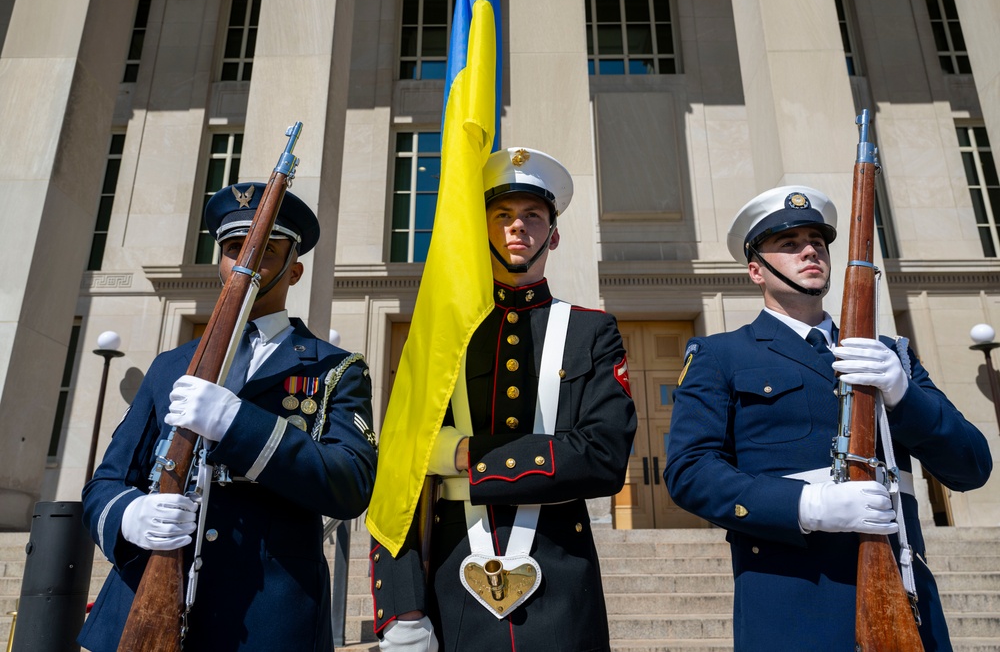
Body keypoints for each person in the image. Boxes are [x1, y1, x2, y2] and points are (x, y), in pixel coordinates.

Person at [663, 185, 993, 651]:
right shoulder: (721, 355)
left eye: (817, 241)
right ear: (756, 269)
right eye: (789, 243)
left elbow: (971, 466)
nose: (809, 251)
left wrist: (901, 393)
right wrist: (808, 506)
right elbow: (690, 472)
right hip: (794, 603)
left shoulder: (889, 355)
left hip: (903, 598)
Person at [79, 182, 378, 651]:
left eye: (264, 250)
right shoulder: (173, 364)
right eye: (234, 248)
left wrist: (238, 425)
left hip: (268, 619)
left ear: (294, 271)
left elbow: (350, 483)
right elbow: (107, 482)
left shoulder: (334, 368)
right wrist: (130, 516)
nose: (245, 262)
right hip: (143, 608)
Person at [370, 148, 638, 651]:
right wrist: (402, 608)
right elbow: (400, 475)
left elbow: (604, 458)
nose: (518, 227)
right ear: (483, 229)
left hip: (560, 580)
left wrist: (460, 455)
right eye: (502, 215)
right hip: (451, 581)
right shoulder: (442, 334)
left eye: (533, 217)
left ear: (553, 235)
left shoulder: (592, 331)